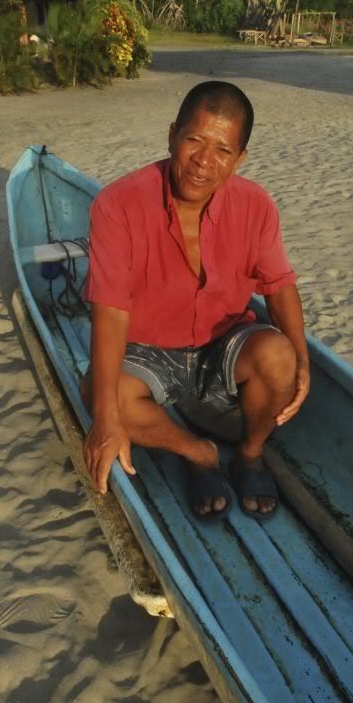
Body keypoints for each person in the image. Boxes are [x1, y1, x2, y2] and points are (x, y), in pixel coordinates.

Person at [82, 81, 309, 520]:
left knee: (282, 358)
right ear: (172, 135)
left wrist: (302, 359)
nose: (204, 162)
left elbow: (279, 283)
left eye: (223, 150)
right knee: (99, 393)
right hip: (148, 348)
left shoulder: (255, 205)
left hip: (223, 341)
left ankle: (248, 455)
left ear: (239, 159)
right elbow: (109, 311)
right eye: (194, 141)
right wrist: (105, 419)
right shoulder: (118, 204)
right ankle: (199, 454)